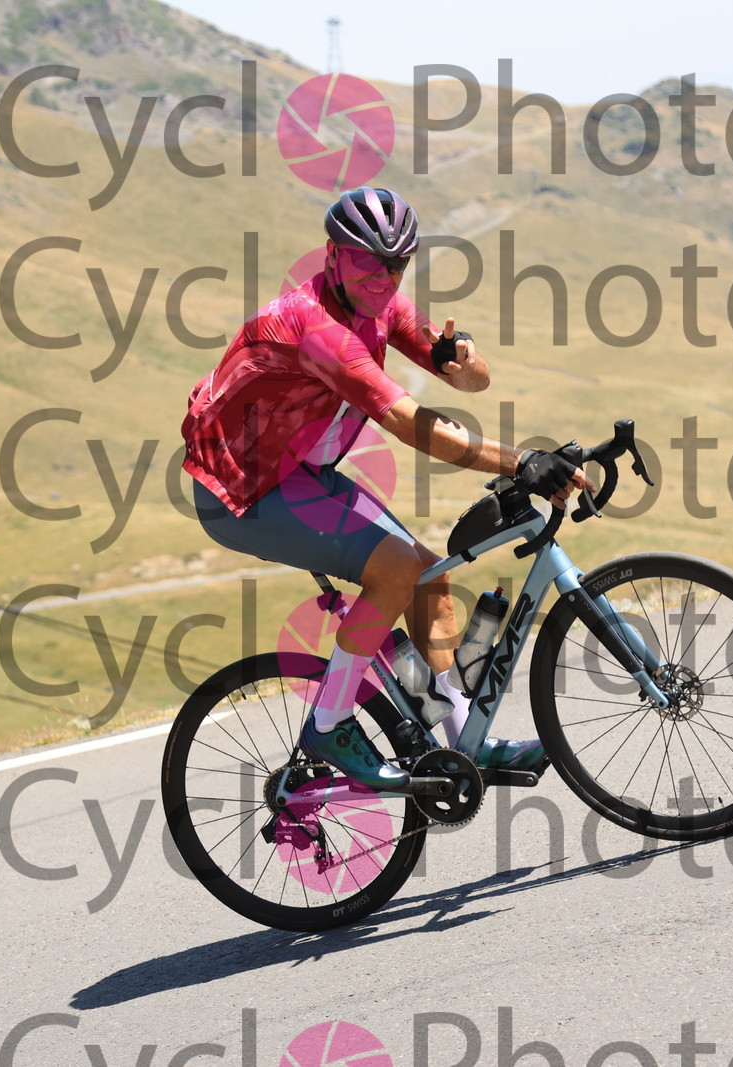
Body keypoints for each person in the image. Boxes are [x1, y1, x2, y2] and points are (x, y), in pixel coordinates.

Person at [181, 186, 590, 789]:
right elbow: (407, 423)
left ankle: (467, 743)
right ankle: (329, 724)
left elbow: (475, 382)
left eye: (398, 264)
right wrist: (521, 461)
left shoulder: (383, 304)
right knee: (398, 570)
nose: (385, 277)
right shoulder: (313, 325)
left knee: (429, 576)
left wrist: (462, 361)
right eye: (369, 262)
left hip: (302, 475)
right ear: (333, 255)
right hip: (243, 492)